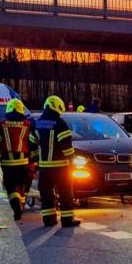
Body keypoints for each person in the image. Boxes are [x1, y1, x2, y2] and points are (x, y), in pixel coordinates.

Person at [30, 95, 80, 227]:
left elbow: (32, 144)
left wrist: (36, 159)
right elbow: (66, 147)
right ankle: (67, 219)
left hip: (44, 167)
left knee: (46, 193)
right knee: (65, 193)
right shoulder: (60, 123)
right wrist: (73, 161)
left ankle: (49, 219)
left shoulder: (37, 122)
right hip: (61, 167)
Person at [0, 98, 35, 221]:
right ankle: (21, 204)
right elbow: (33, 143)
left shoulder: (1, 124)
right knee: (22, 185)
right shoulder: (28, 124)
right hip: (24, 163)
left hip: (7, 163)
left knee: (10, 186)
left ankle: (16, 205)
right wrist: (34, 159)